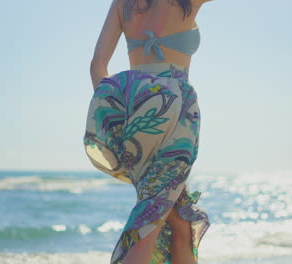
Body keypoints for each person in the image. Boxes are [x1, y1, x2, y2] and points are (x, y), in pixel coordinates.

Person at [84, 0, 213, 263]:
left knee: (178, 218)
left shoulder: (124, 3)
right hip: (175, 107)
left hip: (137, 105)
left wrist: (116, 115)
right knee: (153, 212)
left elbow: (97, 66)